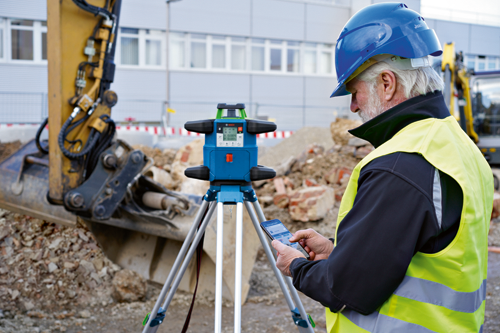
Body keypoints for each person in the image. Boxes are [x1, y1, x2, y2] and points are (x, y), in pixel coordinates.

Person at [271, 3, 494, 333]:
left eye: (354, 90)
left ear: (387, 83)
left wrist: (298, 266)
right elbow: (423, 255)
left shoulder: (400, 164)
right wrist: (338, 253)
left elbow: (347, 288)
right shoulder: (458, 146)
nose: (353, 105)